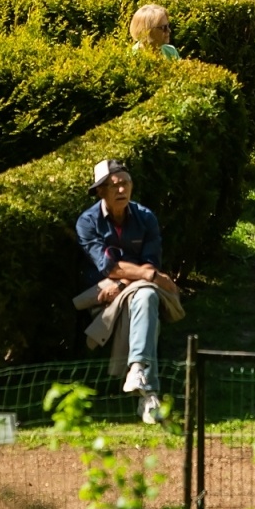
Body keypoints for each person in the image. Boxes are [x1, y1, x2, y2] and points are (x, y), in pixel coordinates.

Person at [74, 159, 179, 424]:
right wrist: (146, 276)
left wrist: (124, 283)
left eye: (126, 184)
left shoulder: (145, 217)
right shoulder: (87, 222)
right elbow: (107, 266)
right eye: (114, 186)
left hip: (122, 289)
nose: (122, 190)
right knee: (148, 295)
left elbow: (150, 261)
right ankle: (148, 393)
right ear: (100, 191)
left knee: (145, 296)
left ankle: (138, 372)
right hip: (101, 297)